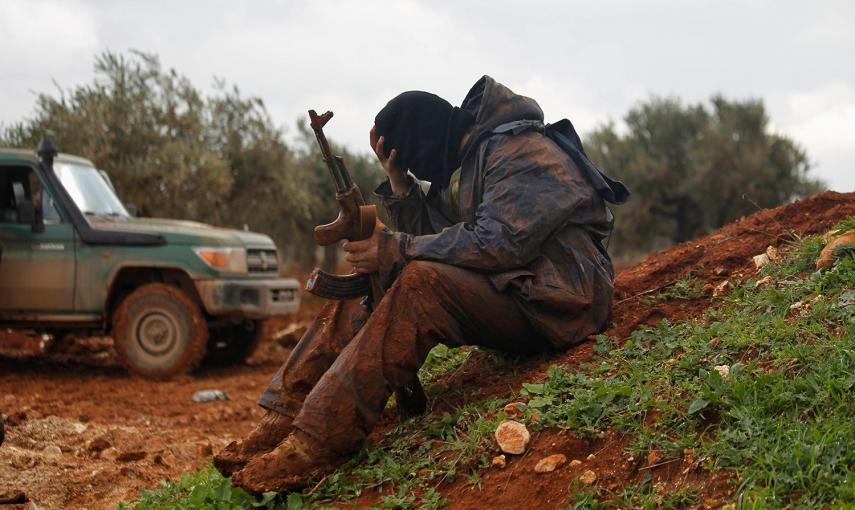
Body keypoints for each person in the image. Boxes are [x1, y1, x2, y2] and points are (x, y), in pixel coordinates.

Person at [215, 75, 619, 493]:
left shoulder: (518, 150)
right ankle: (279, 420)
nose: (418, 169)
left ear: (426, 141)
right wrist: (400, 184)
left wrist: (395, 247)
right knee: (372, 281)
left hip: (565, 300)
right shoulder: (470, 159)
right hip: (521, 291)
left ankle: (312, 444)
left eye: (411, 160)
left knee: (418, 283)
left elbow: (499, 244)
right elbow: (445, 240)